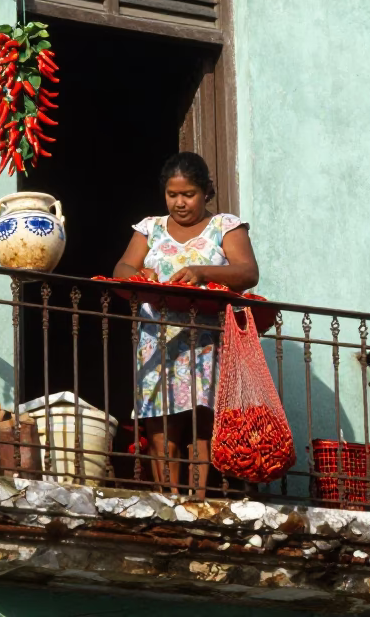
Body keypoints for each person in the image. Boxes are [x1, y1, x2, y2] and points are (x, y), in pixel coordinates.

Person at [113, 152, 259, 494]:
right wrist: (141, 274)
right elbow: (121, 268)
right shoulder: (150, 228)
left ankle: (197, 501)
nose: (180, 203)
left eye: (188, 194)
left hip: (205, 342)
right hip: (156, 342)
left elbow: (248, 272)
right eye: (172, 194)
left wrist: (203, 271)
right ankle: (169, 501)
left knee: (200, 424)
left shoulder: (226, 226)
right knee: (162, 427)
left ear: (206, 191)